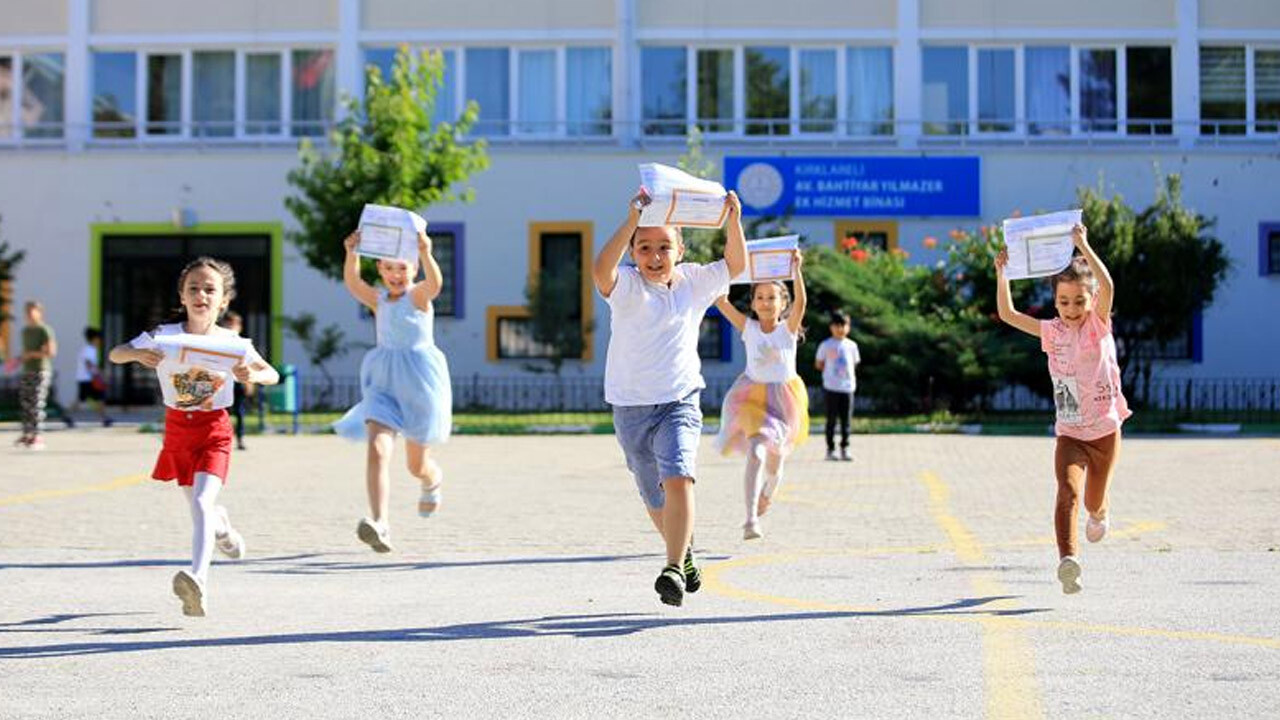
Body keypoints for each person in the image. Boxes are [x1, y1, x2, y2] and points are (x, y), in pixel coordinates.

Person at [594, 186, 747, 607]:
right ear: (633, 252)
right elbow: (599, 271)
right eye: (644, 247)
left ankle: (673, 567)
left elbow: (736, 263)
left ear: (680, 249)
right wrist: (631, 219)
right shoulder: (625, 284)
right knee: (652, 494)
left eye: (664, 246)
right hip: (629, 407)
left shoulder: (695, 282)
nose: (655, 255)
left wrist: (733, 220)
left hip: (679, 400)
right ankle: (687, 554)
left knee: (678, 475)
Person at [108, 257, 279, 617]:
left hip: (214, 429)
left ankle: (198, 581)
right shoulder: (164, 335)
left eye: (210, 289)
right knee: (200, 507)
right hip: (177, 430)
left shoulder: (234, 343)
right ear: (182, 296)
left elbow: (272, 375)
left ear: (224, 300)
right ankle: (225, 532)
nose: (201, 294)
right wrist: (138, 355)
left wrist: (251, 374)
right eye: (194, 288)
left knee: (201, 503)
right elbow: (115, 353)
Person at [995, 223, 1130, 595]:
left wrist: (1082, 245)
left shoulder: (1097, 326)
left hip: (1104, 430)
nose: (1071, 309)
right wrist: (1002, 273)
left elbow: (1109, 285)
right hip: (1070, 431)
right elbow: (1007, 314)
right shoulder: (1051, 332)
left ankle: (1101, 512)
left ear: (1091, 300)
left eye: (1079, 301)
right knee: (1066, 491)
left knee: (1092, 500)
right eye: (1064, 302)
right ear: (1055, 301)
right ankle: (1068, 560)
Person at [334, 229, 451, 554]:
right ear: (381, 271)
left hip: (418, 385)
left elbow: (435, 285)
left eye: (402, 268)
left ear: (413, 268)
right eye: (388, 268)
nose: (395, 275)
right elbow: (354, 284)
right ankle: (380, 524)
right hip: (383, 383)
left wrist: (426, 251)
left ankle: (432, 480)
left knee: (416, 465)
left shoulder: (418, 297)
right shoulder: (379, 300)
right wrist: (352, 252)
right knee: (378, 450)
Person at [712, 250, 809, 540]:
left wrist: (796, 270)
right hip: (753, 399)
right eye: (761, 297)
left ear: (783, 303)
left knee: (775, 465)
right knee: (756, 451)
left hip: (784, 402)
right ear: (753, 303)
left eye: (772, 297)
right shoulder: (748, 328)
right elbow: (721, 302)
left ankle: (770, 489)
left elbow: (802, 302)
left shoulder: (788, 330)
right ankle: (751, 518)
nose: (766, 303)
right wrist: (725, 272)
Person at [815, 310, 860, 461]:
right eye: (837, 325)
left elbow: (854, 363)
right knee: (831, 420)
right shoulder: (826, 345)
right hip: (831, 387)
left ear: (848, 327)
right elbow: (819, 363)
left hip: (847, 388)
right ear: (831, 327)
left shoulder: (852, 346)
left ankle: (845, 447)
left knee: (846, 420)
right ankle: (830, 449)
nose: (840, 329)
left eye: (844, 325)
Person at [17, 301, 56, 449]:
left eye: (32, 311)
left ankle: (38, 436)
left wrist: (32, 354)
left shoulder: (44, 330)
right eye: (27, 312)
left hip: (41, 370)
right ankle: (27, 434)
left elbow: (51, 352)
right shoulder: (25, 331)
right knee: (26, 403)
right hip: (27, 370)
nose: (29, 315)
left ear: (39, 312)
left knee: (36, 403)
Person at [219, 312, 251, 450]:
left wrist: (249, 383)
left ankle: (240, 438)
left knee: (240, 412)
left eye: (236, 324)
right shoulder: (218, 342)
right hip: (222, 383)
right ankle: (221, 438)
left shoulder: (242, 344)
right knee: (222, 413)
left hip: (238, 384)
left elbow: (248, 365)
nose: (233, 327)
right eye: (230, 323)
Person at [73, 327, 113, 427]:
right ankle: (67, 416)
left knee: (98, 398)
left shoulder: (90, 349)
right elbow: (89, 364)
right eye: (99, 339)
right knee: (83, 400)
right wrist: (100, 375)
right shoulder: (89, 349)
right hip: (88, 379)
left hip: (87, 379)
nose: (100, 341)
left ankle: (105, 418)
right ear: (94, 339)